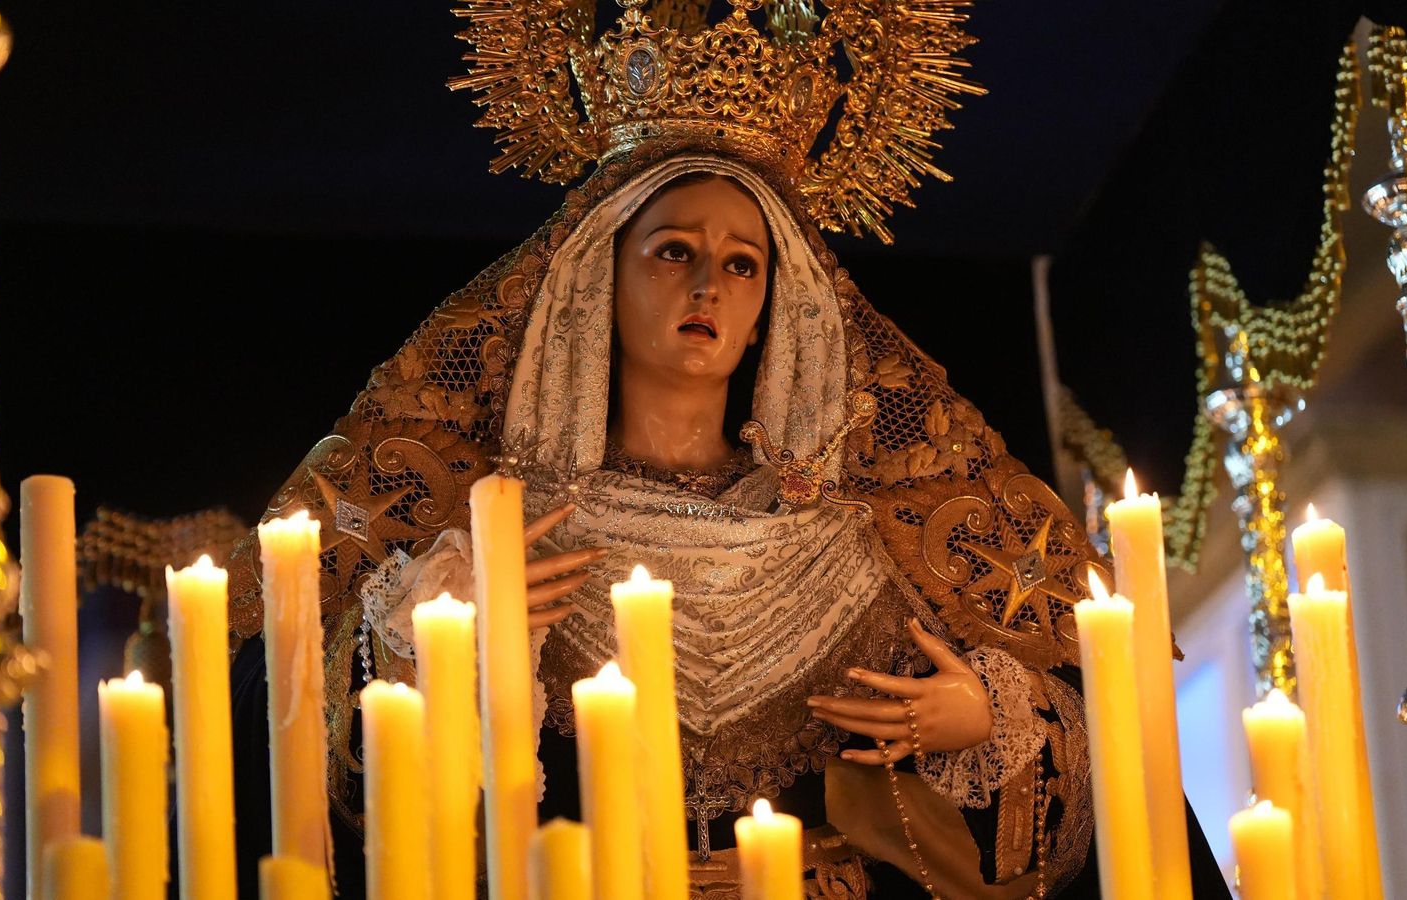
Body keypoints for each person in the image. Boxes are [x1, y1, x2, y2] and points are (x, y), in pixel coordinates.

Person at [222, 0, 1232, 894]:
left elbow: (1088, 794)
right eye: (673, 251)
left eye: (741, 264)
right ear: (596, 282)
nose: (709, 284)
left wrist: (982, 722)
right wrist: (423, 650)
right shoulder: (493, 542)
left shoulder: (855, 546)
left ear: (771, 310)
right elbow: (342, 799)